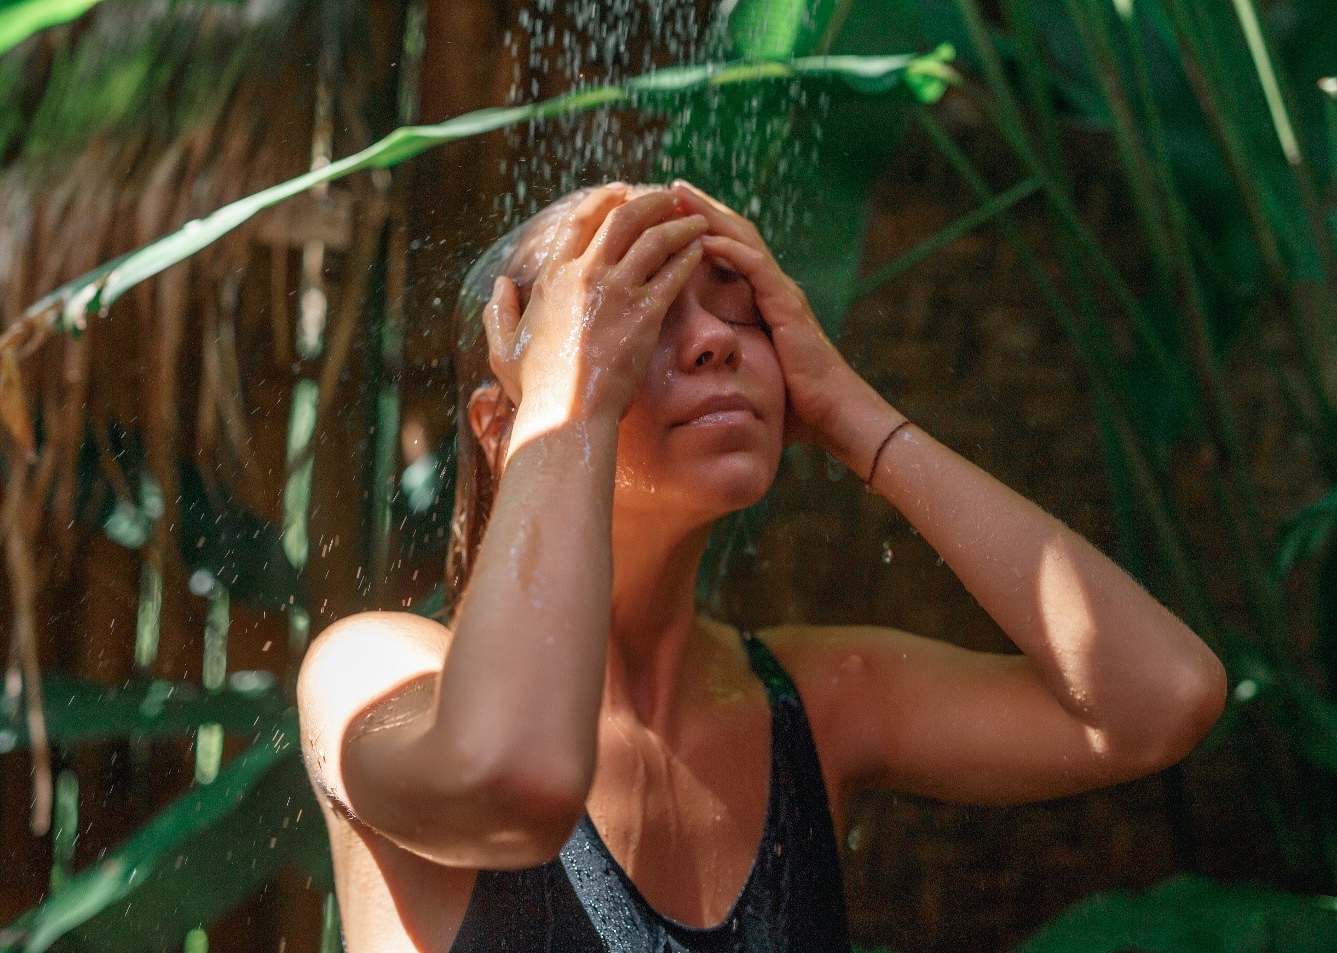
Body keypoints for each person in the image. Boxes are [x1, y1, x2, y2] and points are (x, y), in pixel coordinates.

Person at [298, 182, 1227, 952]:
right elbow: (514, 779)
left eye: (744, 313)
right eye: (639, 314)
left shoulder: (814, 701)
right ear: (501, 426)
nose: (717, 341)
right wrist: (567, 409)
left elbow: (1160, 698)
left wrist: (853, 412)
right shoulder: (372, 671)